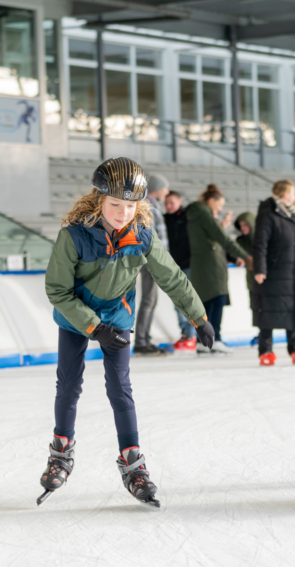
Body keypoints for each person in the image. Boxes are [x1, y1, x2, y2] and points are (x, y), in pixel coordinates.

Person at [41, 158, 215, 507]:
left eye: (131, 206)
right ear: (99, 200)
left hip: (118, 315)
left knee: (121, 388)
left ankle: (133, 461)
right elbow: (57, 291)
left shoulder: (142, 235)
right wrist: (94, 326)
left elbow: (172, 277)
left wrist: (198, 317)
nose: (123, 213)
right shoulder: (73, 235)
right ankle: (61, 452)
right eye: (115, 205)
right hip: (76, 316)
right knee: (70, 383)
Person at [252, 179, 295, 366]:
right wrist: (260, 269)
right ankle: (265, 350)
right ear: (285, 194)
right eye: (293, 193)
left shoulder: (294, 217)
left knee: (294, 311)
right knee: (269, 311)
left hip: (293, 274)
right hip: (273, 273)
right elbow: (260, 244)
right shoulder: (268, 215)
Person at [186, 184, 250, 355]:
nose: (220, 208)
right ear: (211, 201)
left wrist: (221, 225)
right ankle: (216, 339)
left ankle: (204, 341)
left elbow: (210, 235)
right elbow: (224, 240)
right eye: (219, 205)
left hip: (199, 264)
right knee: (217, 299)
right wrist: (246, 256)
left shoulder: (195, 216)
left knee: (205, 303)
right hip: (211, 265)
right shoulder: (206, 216)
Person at [133, 173, 171, 356]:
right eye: (165, 188)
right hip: (151, 260)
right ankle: (141, 342)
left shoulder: (152, 204)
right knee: (148, 300)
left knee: (151, 300)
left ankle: (144, 340)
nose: (167, 191)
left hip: (154, 259)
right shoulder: (148, 205)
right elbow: (148, 235)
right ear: (158, 188)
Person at [164, 191, 196, 350]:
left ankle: (192, 334)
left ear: (179, 201)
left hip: (188, 265)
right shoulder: (164, 219)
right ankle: (185, 333)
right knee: (177, 301)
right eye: (166, 203)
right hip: (172, 267)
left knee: (188, 299)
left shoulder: (187, 217)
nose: (168, 206)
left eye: (171, 203)